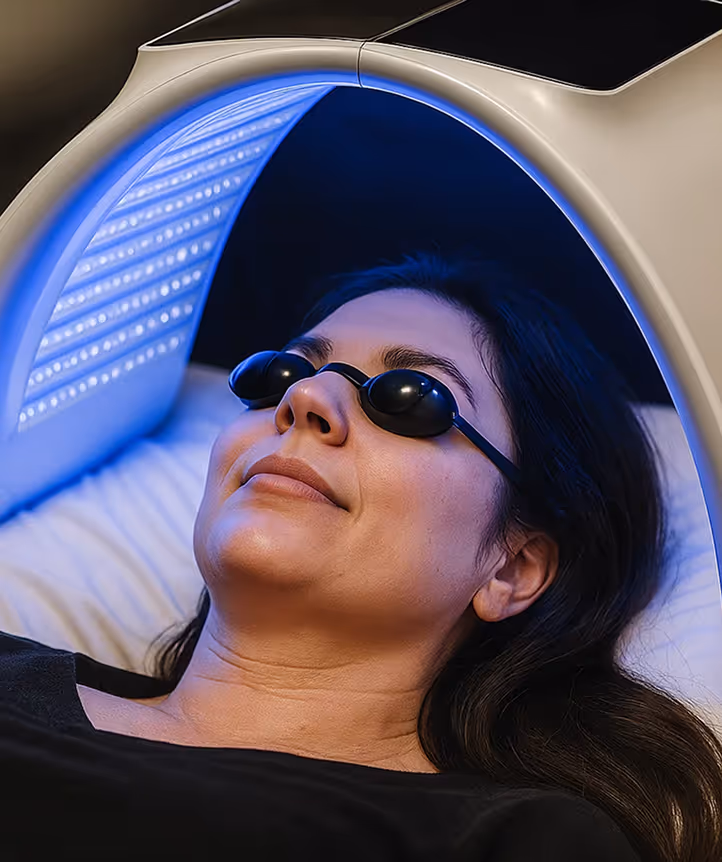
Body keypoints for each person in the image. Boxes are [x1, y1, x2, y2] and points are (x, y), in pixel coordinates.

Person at [0, 253, 720, 861]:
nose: (306, 397)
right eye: (279, 375)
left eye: (409, 397)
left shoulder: (511, 840)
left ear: (512, 568)